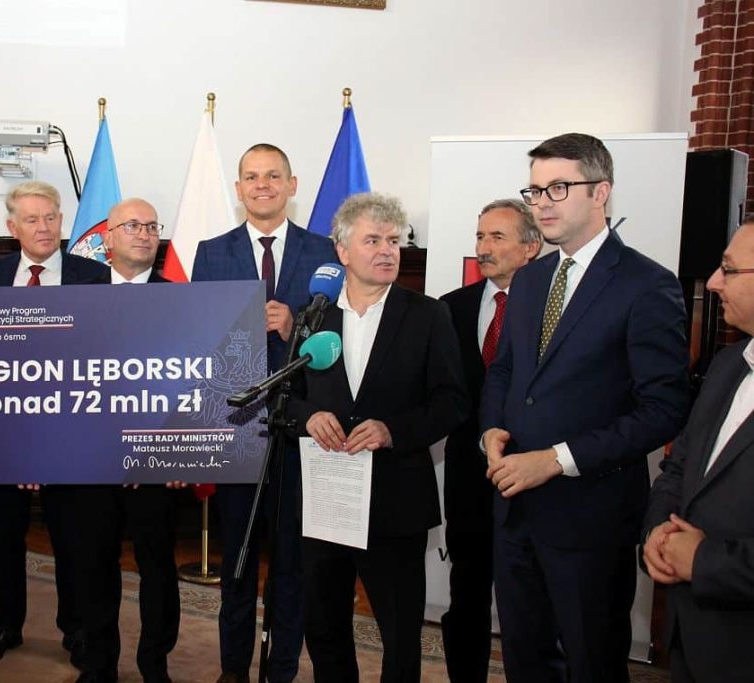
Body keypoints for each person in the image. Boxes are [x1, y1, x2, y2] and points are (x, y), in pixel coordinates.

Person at [479, 133, 691, 682]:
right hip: (515, 511)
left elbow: (664, 408)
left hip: (591, 517)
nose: (542, 202)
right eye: (535, 190)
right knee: (525, 659)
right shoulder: (530, 279)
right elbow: (504, 371)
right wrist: (492, 428)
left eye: (558, 187)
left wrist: (557, 459)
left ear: (600, 192)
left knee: (591, 661)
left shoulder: (647, 285)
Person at [288, 192, 467, 682]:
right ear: (342, 251)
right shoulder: (313, 318)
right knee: (324, 626)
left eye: (394, 240)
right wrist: (309, 418)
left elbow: (452, 401)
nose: (388, 250)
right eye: (373, 240)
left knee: (400, 633)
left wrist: (394, 431)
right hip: (327, 501)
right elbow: (286, 400)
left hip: (395, 501)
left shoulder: (427, 315)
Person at [191, 143, 336, 683]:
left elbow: (339, 337)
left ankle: (281, 670)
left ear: (292, 185)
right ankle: (233, 669)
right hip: (236, 428)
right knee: (238, 561)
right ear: (238, 189)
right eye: (252, 177)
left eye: (273, 176)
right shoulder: (212, 253)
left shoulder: (325, 252)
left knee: (291, 564)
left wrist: (293, 326)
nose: (263, 185)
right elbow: (197, 338)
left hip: (300, 430)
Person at [0, 180, 107, 670]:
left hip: (69, 432)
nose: (44, 227)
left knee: (71, 537)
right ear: (13, 228)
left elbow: (100, 353)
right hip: (7, 432)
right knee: (4, 533)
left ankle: (76, 628)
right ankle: (5, 624)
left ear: (62, 221)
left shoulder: (93, 276)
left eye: (51, 217)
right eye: (32, 220)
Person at [67, 198, 183, 683]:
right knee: (94, 568)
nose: (144, 233)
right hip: (92, 467)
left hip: (156, 467)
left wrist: (180, 456)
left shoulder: (183, 300)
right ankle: (99, 665)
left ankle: (155, 663)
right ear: (107, 239)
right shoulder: (75, 299)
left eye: (152, 226)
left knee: (158, 569)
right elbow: (63, 382)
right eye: (132, 225)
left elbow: (196, 381)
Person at [642, 221, 754, 683]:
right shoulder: (728, 364)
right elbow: (679, 467)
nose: (711, 283)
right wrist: (658, 533)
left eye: (729, 270)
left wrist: (704, 562)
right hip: (692, 637)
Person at [438, 198, 540, 683]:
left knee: (532, 601)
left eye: (497, 237)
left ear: (531, 246)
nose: (484, 247)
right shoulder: (451, 307)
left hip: (534, 475)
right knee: (467, 594)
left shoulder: (552, 309)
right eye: (480, 236)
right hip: (467, 477)